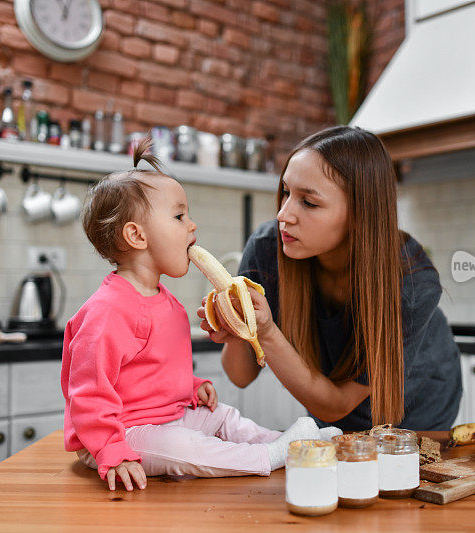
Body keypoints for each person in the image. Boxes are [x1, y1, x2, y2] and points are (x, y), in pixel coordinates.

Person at [61, 138, 339, 492]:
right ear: (136, 235)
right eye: (179, 216)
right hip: (119, 435)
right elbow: (89, 393)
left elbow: (152, 375)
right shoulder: (106, 311)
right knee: (181, 447)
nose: (192, 226)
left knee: (221, 415)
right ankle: (268, 456)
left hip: (164, 420)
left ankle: (297, 443)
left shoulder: (168, 303)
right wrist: (111, 450)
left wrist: (191, 389)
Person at [199, 125, 462, 433]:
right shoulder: (268, 248)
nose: (284, 214)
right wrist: (235, 329)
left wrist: (268, 332)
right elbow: (240, 376)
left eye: (308, 202)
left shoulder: (411, 282)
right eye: (285, 192)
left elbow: (337, 404)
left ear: (359, 215)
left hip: (417, 415)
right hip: (331, 417)